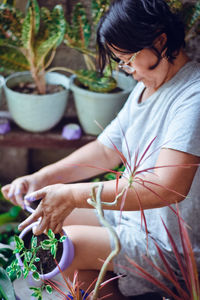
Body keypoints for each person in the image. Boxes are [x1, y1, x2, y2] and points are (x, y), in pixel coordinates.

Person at [2, 0, 200, 298]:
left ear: (160, 40)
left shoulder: (193, 96)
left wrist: (73, 194)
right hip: (130, 220)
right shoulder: (146, 89)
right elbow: (105, 150)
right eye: (120, 62)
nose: (128, 70)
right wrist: (41, 178)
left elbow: (166, 188)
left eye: (128, 59)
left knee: (67, 246)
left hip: (168, 245)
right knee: (45, 225)